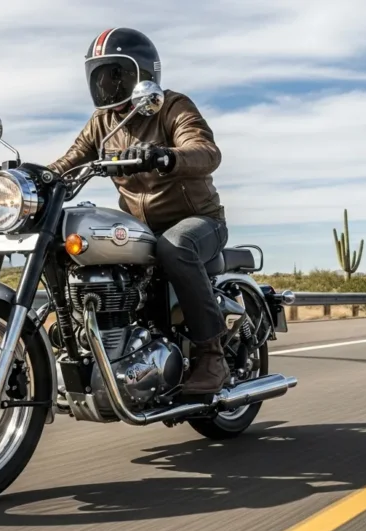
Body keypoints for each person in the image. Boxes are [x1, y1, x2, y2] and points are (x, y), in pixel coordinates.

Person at [46, 28, 230, 395]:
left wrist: (166, 156)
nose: (106, 83)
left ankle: (213, 356)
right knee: (67, 246)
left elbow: (206, 151)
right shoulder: (102, 123)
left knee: (174, 247)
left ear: (141, 74)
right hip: (141, 228)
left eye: (114, 73)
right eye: (99, 75)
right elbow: (69, 161)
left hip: (197, 222)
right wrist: (37, 178)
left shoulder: (172, 106)